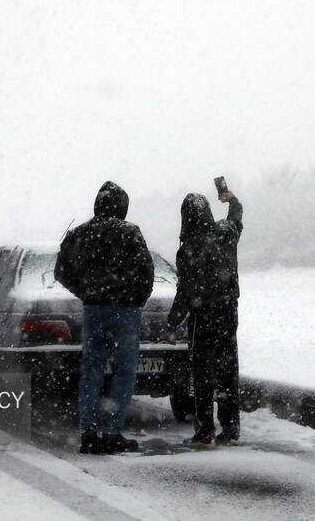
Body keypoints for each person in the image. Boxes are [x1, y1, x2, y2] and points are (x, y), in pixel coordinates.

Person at [55, 181, 154, 454]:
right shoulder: (130, 233)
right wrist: (135, 299)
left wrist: (86, 291)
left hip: (94, 310)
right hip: (125, 311)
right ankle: (112, 431)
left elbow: (61, 271)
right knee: (124, 372)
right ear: (122, 206)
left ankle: (88, 432)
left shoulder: (79, 234)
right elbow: (146, 271)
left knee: (91, 372)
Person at [165, 189, 243, 447]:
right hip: (229, 312)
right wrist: (231, 199)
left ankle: (205, 430)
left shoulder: (188, 248)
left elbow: (185, 291)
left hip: (204, 316)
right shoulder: (226, 233)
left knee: (202, 374)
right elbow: (236, 217)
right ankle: (230, 428)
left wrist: (173, 323)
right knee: (228, 370)